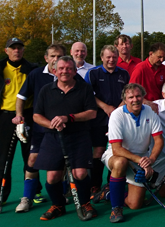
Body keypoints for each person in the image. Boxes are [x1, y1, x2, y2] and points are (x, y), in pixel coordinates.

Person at [32, 56, 98, 221]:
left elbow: (92, 112)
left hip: (79, 136)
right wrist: (52, 124)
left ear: (75, 71)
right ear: (54, 70)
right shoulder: (46, 90)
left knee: (80, 173)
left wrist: (68, 118)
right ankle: (58, 205)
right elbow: (36, 116)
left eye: (69, 68)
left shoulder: (84, 89)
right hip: (53, 137)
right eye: (61, 68)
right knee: (52, 177)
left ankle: (85, 203)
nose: (65, 71)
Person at [0, 37, 37, 210]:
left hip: (28, 116)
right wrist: (6, 112)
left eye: (19, 48)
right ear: (6, 50)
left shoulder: (31, 69)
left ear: (23, 50)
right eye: (13, 48)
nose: (16, 51)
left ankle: (34, 192)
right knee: (4, 159)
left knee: (30, 158)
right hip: (6, 119)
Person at [12, 43, 64, 212]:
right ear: (46, 58)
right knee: (32, 159)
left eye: (59, 56)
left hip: (64, 128)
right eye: (53, 56)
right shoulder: (35, 74)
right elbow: (21, 97)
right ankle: (27, 197)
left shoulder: (69, 73)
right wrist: (19, 116)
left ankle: (62, 195)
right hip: (41, 128)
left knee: (62, 163)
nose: (56, 60)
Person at [101, 83, 163, 223]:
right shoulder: (117, 115)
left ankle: (109, 193)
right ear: (125, 99)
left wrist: (151, 160)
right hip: (117, 155)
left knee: (135, 205)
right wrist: (141, 161)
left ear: (143, 97)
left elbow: (158, 140)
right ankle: (116, 208)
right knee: (120, 162)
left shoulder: (149, 112)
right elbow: (117, 149)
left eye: (138, 96)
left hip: (140, 158)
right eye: (131, 97)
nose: (135, 99)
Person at [85, 45, 130, 202]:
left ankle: (111, 185)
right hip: (98, 119)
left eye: (114, 57)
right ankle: (95, 186)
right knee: (98, 152)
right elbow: (88, 94)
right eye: (108, 57)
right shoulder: (93, 73)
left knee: (117, 151)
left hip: (118, 120)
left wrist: (117, 109)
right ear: (102, 57)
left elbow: (128, 94)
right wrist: (105, 107)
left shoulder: (123, 74)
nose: (111, 60)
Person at [129, 42, 165, 107]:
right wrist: (145, 102)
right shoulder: (140, 68)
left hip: (158, 105)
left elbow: (164, 90)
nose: (161, 60)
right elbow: (131, 89)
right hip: (142, 105)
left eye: (163, 58)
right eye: (159, 57)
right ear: (151, 54)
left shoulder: (164, 69)